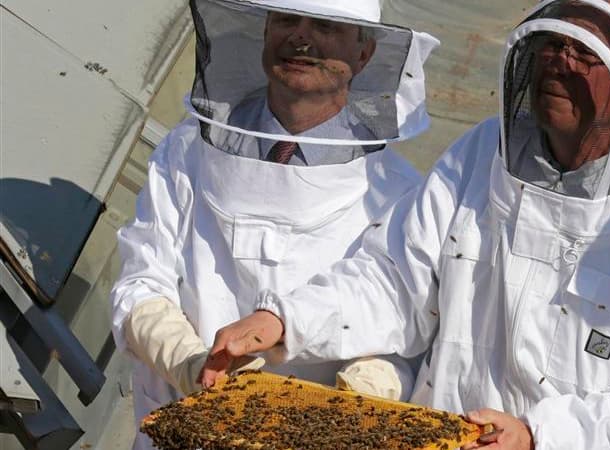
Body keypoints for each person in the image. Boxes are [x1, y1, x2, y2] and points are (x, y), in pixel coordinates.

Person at [202, 0, 610, 449]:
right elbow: (394, 280)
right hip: (439, 433)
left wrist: (536, 435)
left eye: (585, 53)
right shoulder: (481, 153)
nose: (559, 64)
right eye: (554, 44)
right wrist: (285, 321)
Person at [109, 0, 439, 448]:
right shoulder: (186, 151)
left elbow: (410, 330)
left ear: (364, 54)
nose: (301, 38)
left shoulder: (400, 193)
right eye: (286, 20)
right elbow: (141, 284)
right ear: (264, 33)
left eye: (324, 25)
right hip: (181, 427)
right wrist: (189, 362)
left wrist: (371, 383)